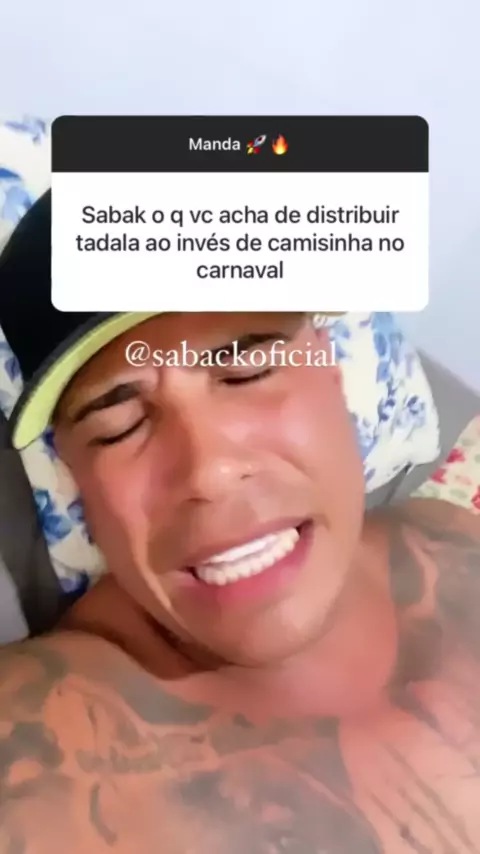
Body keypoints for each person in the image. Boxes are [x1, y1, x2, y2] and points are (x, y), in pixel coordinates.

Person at [0, 193, 480, 854]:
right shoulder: (36, 757)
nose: (210, 471)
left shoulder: (454, 543)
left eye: (246, 369)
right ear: (72, 472)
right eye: (119, 424)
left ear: (330, 367)